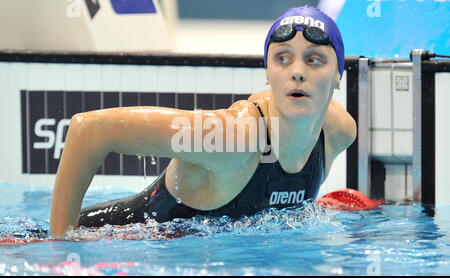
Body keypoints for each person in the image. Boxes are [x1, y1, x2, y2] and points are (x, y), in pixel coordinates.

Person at [50, 5, 356, 238]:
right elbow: (89, 130)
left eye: (314, 59)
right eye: (283, 58)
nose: (298, 72)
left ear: (338, 74)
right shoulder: (233, 136)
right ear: (268, 72)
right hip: (118, 239)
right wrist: (59, 246)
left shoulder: (339, 131)